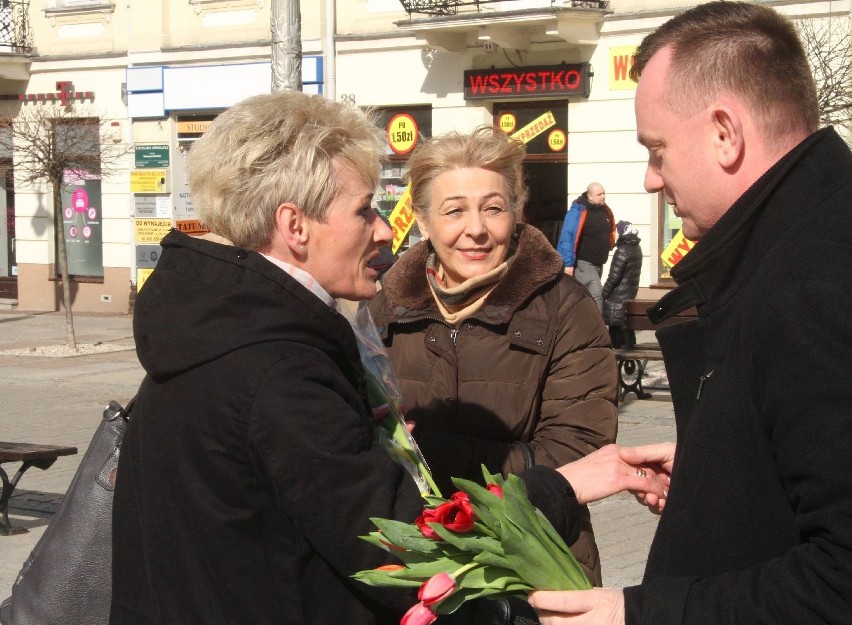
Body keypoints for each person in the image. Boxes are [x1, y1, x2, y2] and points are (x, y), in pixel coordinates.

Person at [108, 91, 666, 625]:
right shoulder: (278, 369)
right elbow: (405, 553)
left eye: (494, 208)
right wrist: (560, 486)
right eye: (363, 210)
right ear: (294, 225)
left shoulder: (218, 328)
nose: (381, 228)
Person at [529, 2, 852, 624]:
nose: (651, 180)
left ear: (725, 133)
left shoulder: (819, 277)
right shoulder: (793, 248)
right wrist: (726, 461)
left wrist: (638, 615)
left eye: (657, 150)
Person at [368, 125, 619, 587]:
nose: (477, 229)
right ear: (422, 221)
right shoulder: (383, 307)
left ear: (516, 214)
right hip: (416, 564)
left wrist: (425, 456)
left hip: (538, 562)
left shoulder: (565, 306)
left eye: (493, 208)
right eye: (454, 211)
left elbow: (579, 450)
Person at [555, 182, 616, 313]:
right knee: (596, 295)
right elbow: (567, 236)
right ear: (589, 196)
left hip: (598, 262)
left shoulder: (603, 210)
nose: (603, 196)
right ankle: (598, 329)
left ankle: (585, 326)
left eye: (604, 193)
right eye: (599, 194)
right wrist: (568, 264)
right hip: (584, 262)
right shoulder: (578, 211)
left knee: (585, 296)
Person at [601, 220, 642, 349]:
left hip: (617, 298)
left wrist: (604, 293)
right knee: (627, 329)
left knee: (616, 333)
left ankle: (618, 361)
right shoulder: (636, 247)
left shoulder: (623, 250)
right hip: (629, 294)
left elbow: (614, 276)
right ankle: (630, 357)